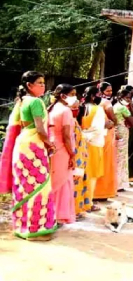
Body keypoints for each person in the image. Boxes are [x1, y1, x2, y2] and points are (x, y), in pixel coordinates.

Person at [10, 71, 59, 240]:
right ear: (29, 86)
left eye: (44, 83)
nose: (43, 86)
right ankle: (35, 231)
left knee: (25, 186)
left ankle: (22, 226)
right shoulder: (36, 102)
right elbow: (40, 129)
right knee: (40, 187)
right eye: (39, 83)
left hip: (23, 144)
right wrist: (50, 144)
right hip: (34, 146)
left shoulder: (22, 101)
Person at [48, 84, 78, 225]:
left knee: (53, 180)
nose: (75, 97)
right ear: (63, 95)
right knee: (63, 182)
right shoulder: (65, 110)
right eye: (72, 94)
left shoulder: (52, 108)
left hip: (53, 148)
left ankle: (49, 212)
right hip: (62, 149)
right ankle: (59, 215)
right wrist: (72, 154)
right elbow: (66, 136)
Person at [79, 86, 107, 211]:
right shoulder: (98, 110)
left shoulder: (80, 107)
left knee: (81, 173)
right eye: (99, 94)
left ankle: (80, 201)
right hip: (93, 144)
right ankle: (88, 203)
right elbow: (98, 129)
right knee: (91, 176)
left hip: (80, 143)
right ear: (93, 96)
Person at [94, 82, 118, 201]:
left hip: (94, 135)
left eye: (111, 90)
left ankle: (94, 192)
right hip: (106, 135)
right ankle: (103, 192)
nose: (110, 93)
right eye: (108, 91)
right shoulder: (106, 103)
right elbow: (114, 119)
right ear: (101, 91)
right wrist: (112, 123)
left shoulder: (88, 103)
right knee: (106, 162)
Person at [112, 88, 133, 191]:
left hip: (115, 132)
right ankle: (120, 184)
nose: (129, 100)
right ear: (121, 97)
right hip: (123, 131)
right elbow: (132, 122)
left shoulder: (113, 106)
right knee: (122, 158)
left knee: (116, 157)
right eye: (127, 98)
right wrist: (130, 107)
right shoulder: (123, 108)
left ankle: (115, 182)